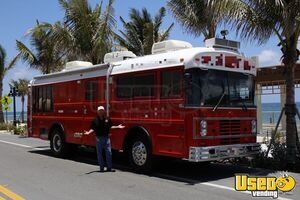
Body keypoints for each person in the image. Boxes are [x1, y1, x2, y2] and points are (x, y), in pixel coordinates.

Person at [84, 106, 125, 172]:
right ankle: (101, 167)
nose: (101, 112)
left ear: (104, 111)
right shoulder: (95, 120)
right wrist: (88, 132)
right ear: (97, 112)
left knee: (109, 153)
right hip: (99, 139)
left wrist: (118, 126)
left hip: (106, 138)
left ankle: (109, 168)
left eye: (102, 110)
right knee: (99, 154)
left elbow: (111, 126)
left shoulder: (107, 119)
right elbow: (93, 128)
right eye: (100, 110)